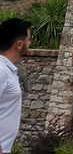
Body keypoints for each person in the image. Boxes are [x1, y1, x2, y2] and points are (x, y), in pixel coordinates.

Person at [0, 18, 30, 154]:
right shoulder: (1, 70)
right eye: (28, 39)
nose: (30, 43)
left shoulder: (7, 69)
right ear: (19, 44)